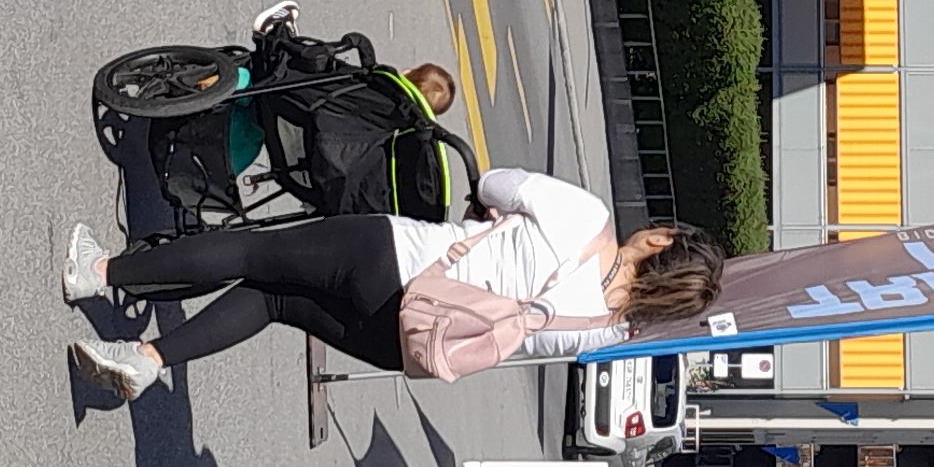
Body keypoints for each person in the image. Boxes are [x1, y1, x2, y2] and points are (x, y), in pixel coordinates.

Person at [67, 170, 726, 397]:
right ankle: (148, 358)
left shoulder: (588, 218)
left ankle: (99, 273)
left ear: (660, 242)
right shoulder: (604, 334)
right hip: (409, 339)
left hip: (398, 260)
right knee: (273, 301)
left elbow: (494, 182)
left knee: (253, 252)